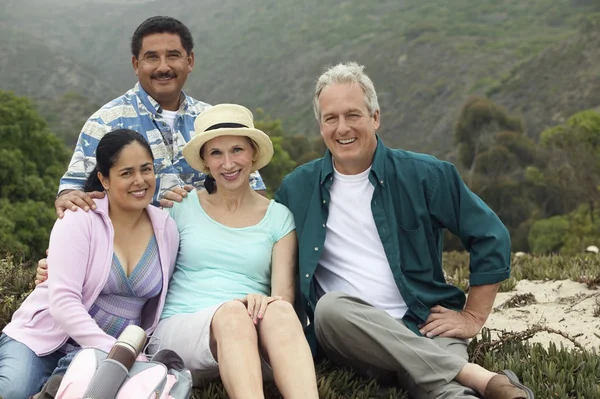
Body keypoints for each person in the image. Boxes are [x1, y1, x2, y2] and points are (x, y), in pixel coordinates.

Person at [274, 62, 535, 399]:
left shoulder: (425, 174)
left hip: (428, 326)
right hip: (352, 336)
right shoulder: (297, 189)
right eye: (331, 118)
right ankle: (484, 380)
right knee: (330, 308)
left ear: (375, 118)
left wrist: (472, 316)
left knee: (442, 389)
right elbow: (260, 236)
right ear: (320, 125)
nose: (342, 128)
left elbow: (490, 235)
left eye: (353, 115)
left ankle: (462, 384)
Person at [146, 103, 319, 398]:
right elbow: (136, 258)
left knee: (276, 311)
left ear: (252, 154)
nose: (228, 164)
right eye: (216, 153)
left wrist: (263, 301)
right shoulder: (180, 207)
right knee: (231, 315)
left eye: (237, 150)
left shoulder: (278, 217)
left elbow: (283, 299)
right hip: (183, 330)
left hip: (252, 337)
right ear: (205, 162)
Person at [0, 130, 179, 399]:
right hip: (44, 338)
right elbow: (63, 301)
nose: (140, 181)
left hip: (109, 354)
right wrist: (114, 349)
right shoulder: (80, 218)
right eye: (126, 173)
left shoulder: (166, 229)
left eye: (146, 169)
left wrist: (128, 353)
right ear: (104, 179)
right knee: (13, 391)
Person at [55, 15, 266, 220]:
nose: (163, 67)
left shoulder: (211, 121)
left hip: (209, 250)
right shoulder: (105, 123)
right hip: (135, 252)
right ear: (136, 64)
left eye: (173, 55)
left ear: (189, 61)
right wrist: (69, 200)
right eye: (152, 57)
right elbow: (72, 193)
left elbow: (254, 192)